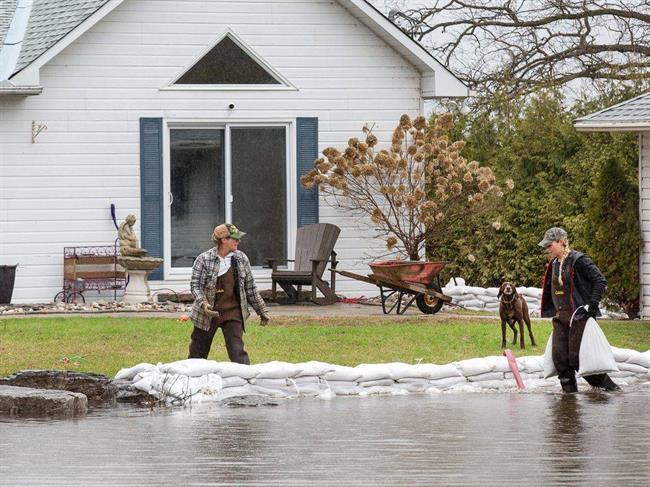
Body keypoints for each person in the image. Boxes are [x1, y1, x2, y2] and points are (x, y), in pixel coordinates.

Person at [539, 227, 620, 393]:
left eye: (550, 245)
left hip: (579, 317)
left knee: (578, 359)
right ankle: (568, 402)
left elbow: (599, 280)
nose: (548, 249)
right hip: (560, 318)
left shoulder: (579, 260)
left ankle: (611, 391)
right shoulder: (554, 264)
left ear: (561, 242)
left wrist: (592, 305)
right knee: (560, 360)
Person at [188, 223, 270, 363]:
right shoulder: (203, 259)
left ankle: (245, 380)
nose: (238, 241)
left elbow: (250, 287)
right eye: (235, 238)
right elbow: (195, 285)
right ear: (223, 240)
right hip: (207, 314)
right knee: (197, 353)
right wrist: (204, 304)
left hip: (232, 312)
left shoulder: (241, 259)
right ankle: (190, 381)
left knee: (238, 351)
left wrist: (261, 310)